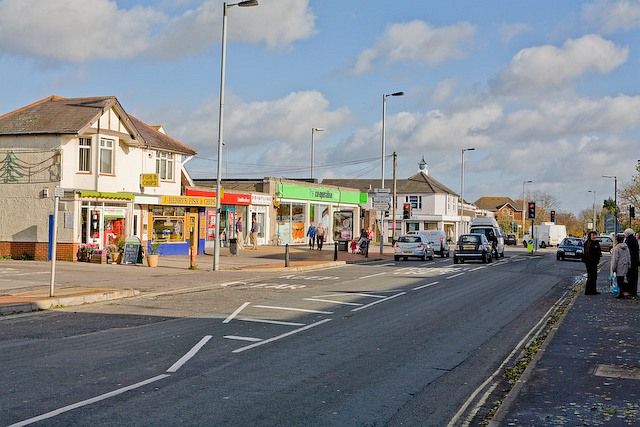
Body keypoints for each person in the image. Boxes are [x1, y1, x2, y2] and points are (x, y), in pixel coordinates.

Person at [610, 234, 630, 299]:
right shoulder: (626, 247)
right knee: (623, 280)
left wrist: (613, 268)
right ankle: (623, 293)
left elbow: (615, 259)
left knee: (619, 281)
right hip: (625, 265)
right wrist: (629, 265)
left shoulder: (616, 248)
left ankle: (621, 293)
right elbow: (629, 257)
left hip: (619, 266)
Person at [583, 231, 602, 295]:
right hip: (589, 262)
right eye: (593, 235)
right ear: (590, 236)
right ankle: (588, 291)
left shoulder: (596, 242)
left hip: (595, 262)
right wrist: (590, 261)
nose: (594, 237)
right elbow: (587, 253)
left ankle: (593, 290)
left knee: (594, 276)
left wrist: (598, 258)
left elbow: (599, 251)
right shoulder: (587, 243)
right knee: (590, 276)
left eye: (595, 235)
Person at [624, 228, 638, 297]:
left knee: (630, 277)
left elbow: (627, 252)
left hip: (630, 261)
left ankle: (631, 291)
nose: (624, 235)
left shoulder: (628, 240)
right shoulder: (634, 239)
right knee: (634, 277)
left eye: (625, 233)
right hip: (635, 261)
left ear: (627, 234)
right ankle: (633, 291)